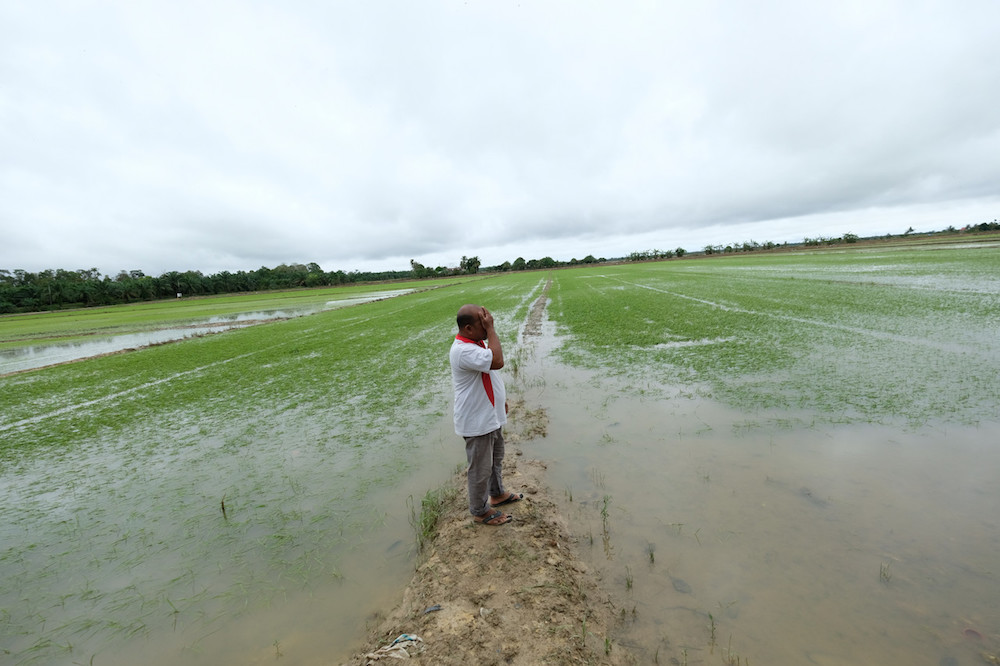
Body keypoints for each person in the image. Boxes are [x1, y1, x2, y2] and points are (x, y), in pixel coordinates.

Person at [450, 304, 523, 525]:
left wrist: (501, 402)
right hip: (477, 420)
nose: (488, 325)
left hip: (489, 415)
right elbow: (497, 362)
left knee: (495, 460)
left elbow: (489, 374)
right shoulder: (463, 350)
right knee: (480, 468)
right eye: (483, 323)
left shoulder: (475, 343)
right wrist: (491, 330)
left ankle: (497, 493)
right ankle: (480, 511)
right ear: (469, 328)